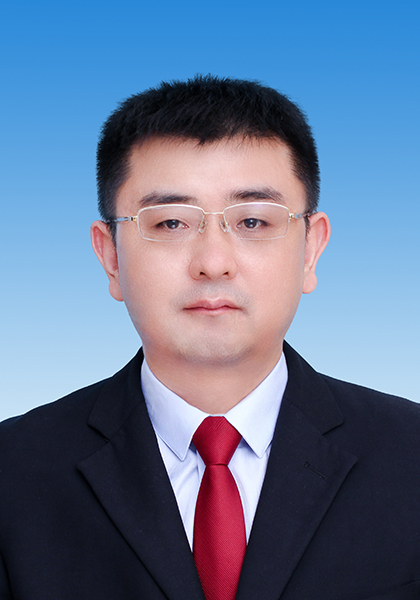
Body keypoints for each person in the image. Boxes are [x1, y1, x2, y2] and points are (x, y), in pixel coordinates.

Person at [0, 75, 419, 600]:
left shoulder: (410, 457)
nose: (214, 262)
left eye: (253, 221)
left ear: (311, 249)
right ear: (110, 256)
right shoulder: (13, 472)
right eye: (171, 223)